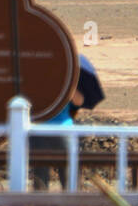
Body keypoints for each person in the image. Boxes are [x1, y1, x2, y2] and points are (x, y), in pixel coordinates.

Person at [32, 55, 105, 190]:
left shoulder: (63, 79)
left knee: (66, 173)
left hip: (58, 129)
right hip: (46, 130)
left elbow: (78, 101)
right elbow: (79, 101)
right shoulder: (38, 77)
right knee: (43, 174)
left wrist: (68, 85)